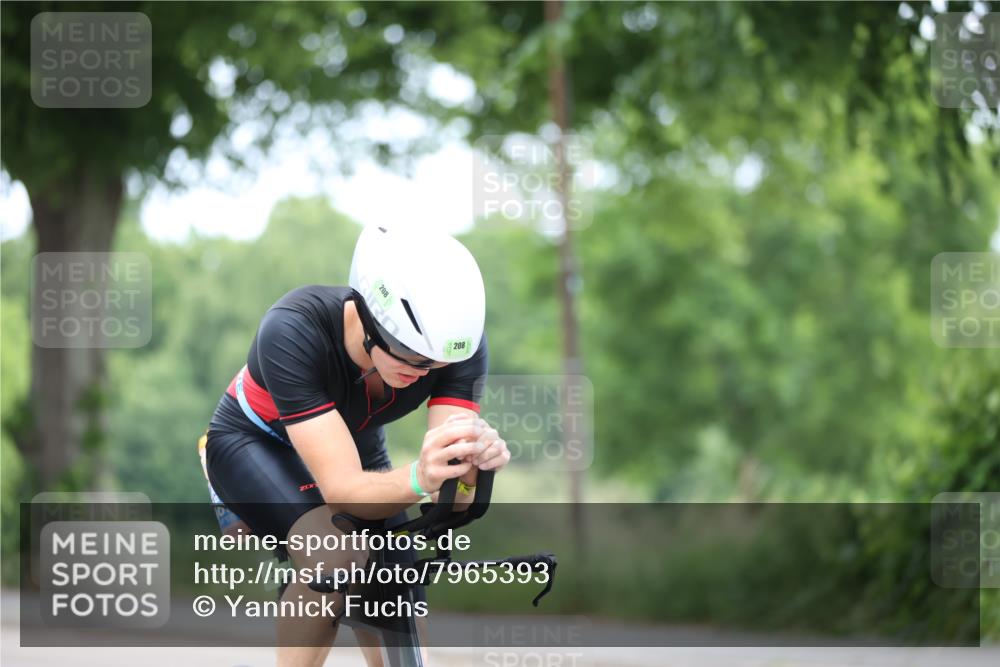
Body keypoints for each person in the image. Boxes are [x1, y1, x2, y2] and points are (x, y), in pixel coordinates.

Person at [204, 224, 510, 666]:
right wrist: (419, 476)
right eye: (412, 356)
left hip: (355, 443)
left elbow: (455, 498)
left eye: (441, 364)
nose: (426, 372)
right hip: (254, 442)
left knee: (397, 580)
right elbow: (345, 492)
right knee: (335, 555)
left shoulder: (454, 349)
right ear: (369, 317)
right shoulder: (292, 329)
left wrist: (474, 468)